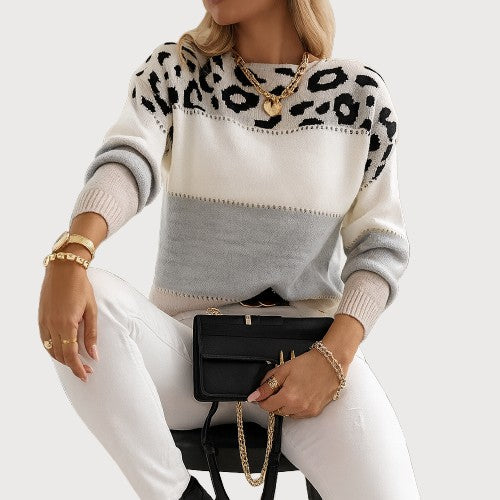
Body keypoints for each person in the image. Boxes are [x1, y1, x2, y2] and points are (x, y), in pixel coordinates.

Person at [38, 1, 421, 498]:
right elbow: (128, 161)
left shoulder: (359, 95)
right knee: (92, 299)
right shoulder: (178, 72)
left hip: (309, 360)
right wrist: (72, 252)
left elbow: (380, 246)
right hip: (185, 356)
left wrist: (334, 357)